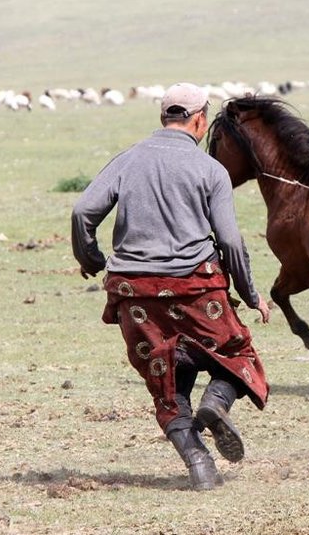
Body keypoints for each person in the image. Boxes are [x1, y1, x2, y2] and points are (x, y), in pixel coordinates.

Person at [71, 82, 272, 490]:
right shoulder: (211, 170)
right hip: (196, 288)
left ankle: (199, 465)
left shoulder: (127, 159)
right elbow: (230, 241)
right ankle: (215, 403)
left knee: (167, 381)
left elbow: (82, 212)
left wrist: (91, 260)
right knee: (237, 355)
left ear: (163, 117)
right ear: (200, 121)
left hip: (135, 293)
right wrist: (251, 294)